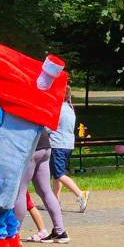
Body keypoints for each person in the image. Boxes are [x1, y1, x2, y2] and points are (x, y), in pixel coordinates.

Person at [14, 128, 69, 244]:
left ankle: (14, 235)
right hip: (44, 144)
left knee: (20, 191)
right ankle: (60, 231)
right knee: (46, 192)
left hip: (30, 147)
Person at [49, 85, 90, 213]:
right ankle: (54, 202)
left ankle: (80, 194)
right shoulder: (70, 110)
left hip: (58, 145)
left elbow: (49, 127)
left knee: (59, 174)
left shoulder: (57, 110)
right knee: (56, 175)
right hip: (68, 145)